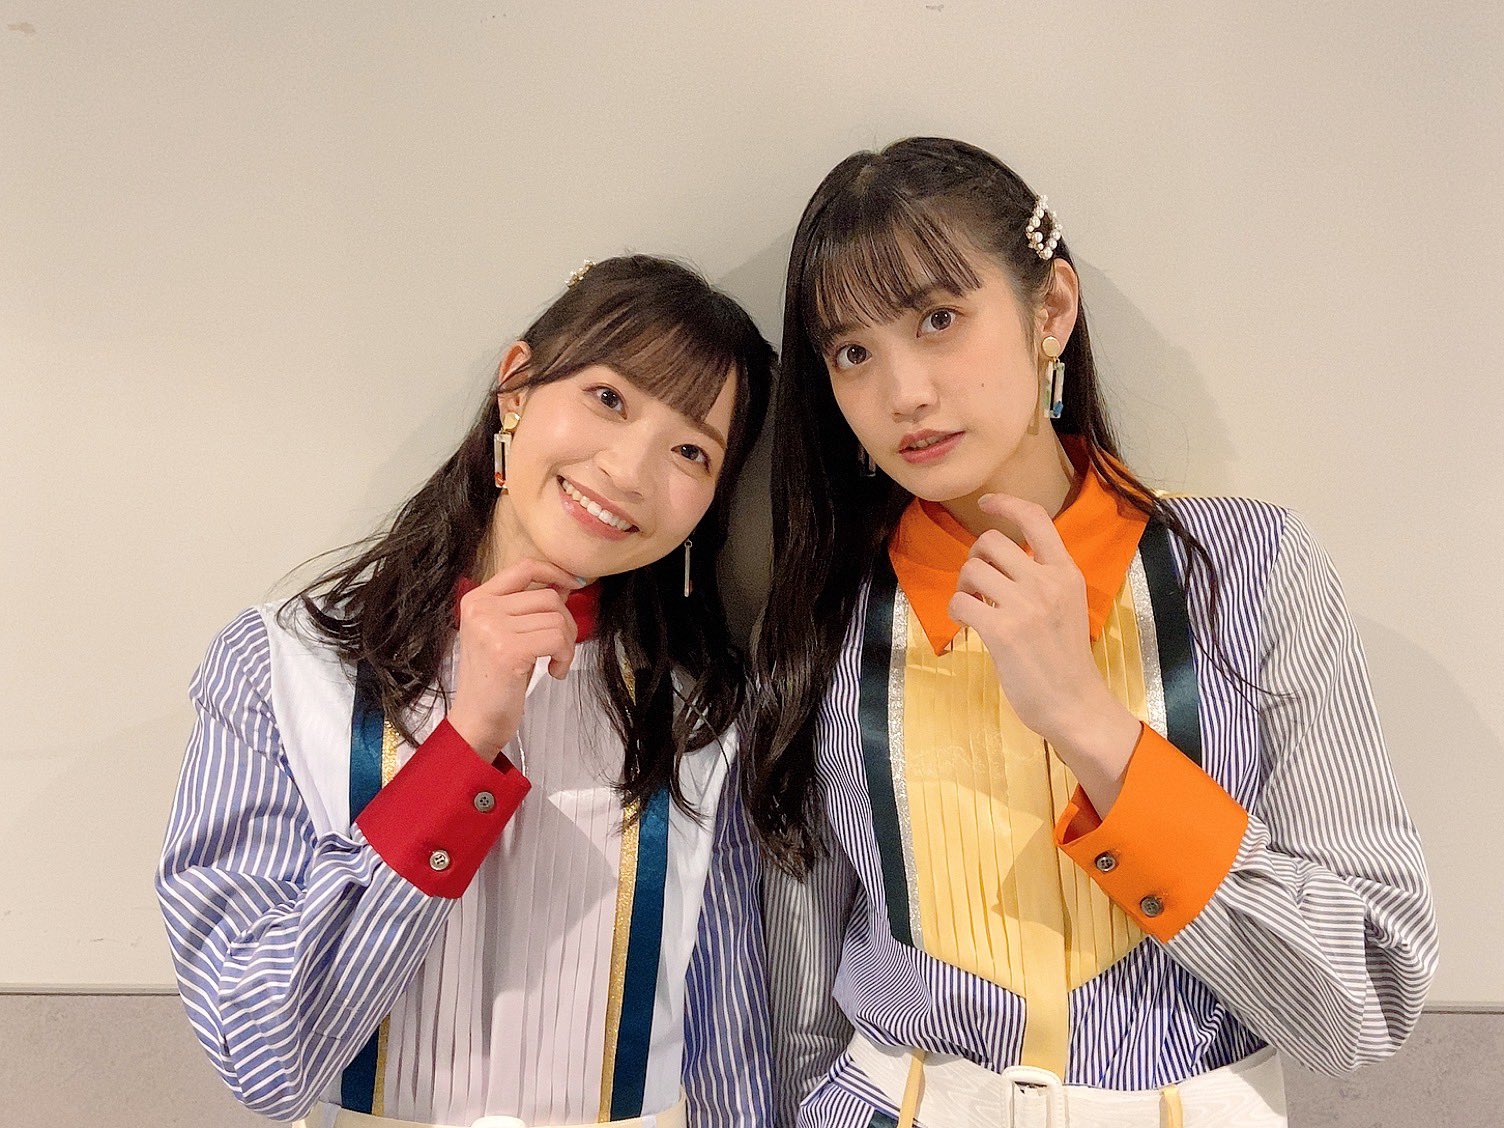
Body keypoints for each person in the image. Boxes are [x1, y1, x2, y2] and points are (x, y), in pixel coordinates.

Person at [747, 138, 1437, 1128]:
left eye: (938, 319)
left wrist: (1087, 721)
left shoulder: (1249, 571)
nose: (903, 395)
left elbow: (1364, 999)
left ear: (1051, 312)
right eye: (852, 351)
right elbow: (799, 1021)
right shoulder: (824, 615)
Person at [157, 255, 775, 1127]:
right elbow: (263, 1056)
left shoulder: (709, 716)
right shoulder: (283, 669)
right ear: (516, 386)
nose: (630, 469)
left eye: (690, 451)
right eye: (608, 398)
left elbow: (736, 1055)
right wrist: (465, 746)